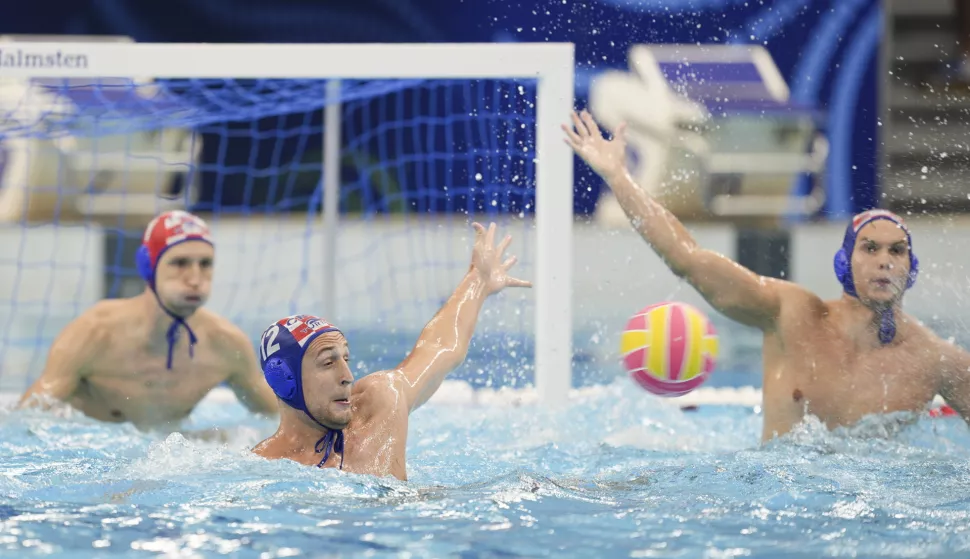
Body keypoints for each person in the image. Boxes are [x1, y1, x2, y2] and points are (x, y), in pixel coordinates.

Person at [562, 109, 970, 441]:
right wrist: (619, 177)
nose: (885, 260)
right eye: (870, 248)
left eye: (897, 251)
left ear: (911, 269)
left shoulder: (935, 361)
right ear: (844, 262)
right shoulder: (789, 315)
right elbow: (686, 257)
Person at [252, 222, 529, 480]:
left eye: (346, 358)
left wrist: (477, 281)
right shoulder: (261, 470)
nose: (347, 376)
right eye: (328, 363)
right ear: (285, 381)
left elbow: (439, 348)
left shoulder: (379, 407)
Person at [18, 210, 278, 433]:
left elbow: (282, 421)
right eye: (180, 263)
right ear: (147, 265)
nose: (196, 278)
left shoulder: (225, 344)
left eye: (205, 264)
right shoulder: (94, 333)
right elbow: (22, 424)